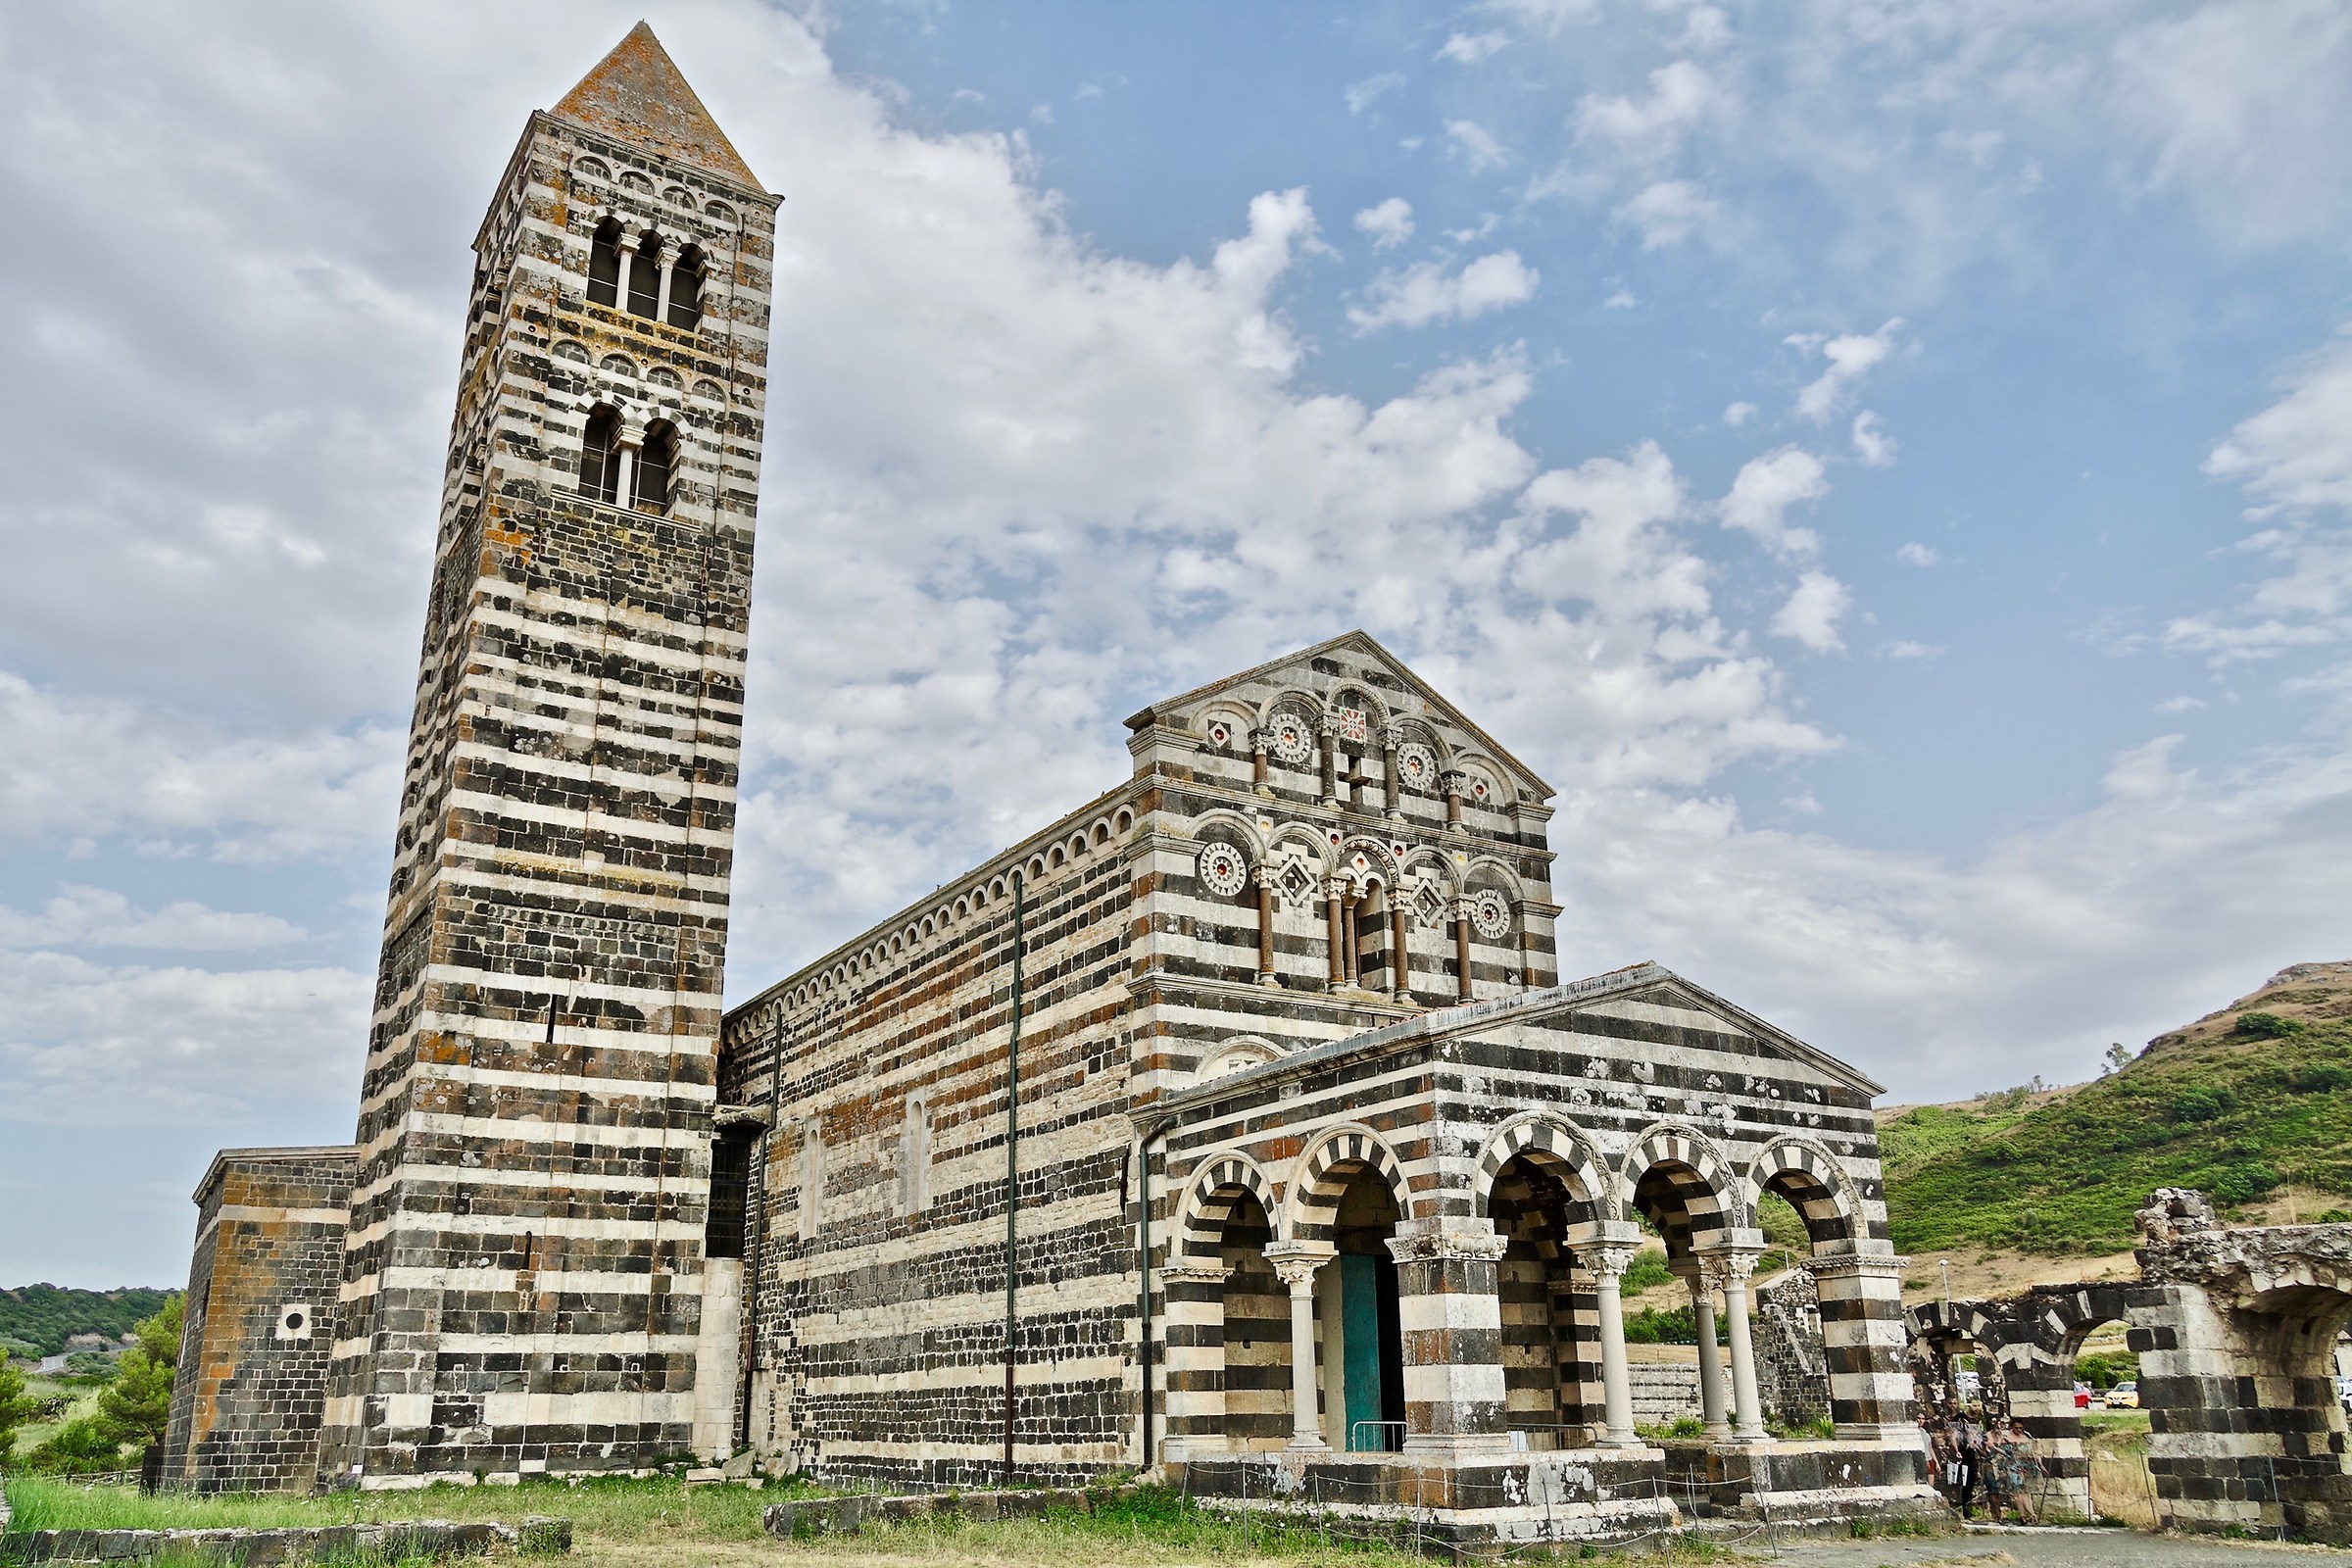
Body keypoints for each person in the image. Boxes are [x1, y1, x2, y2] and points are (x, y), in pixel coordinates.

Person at [1984, 1417, 2039, 1524]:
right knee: (2017, 1492)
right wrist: (1995, 1448)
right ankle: (2022, 1516)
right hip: (2012, 1467)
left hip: (2025, 1467)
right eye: (2016, 1428)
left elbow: (2034, 1452)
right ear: (2012, 1427)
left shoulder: (2026, 1436)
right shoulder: (2006, 1437)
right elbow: (2004, 1453)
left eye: (2020, 1428)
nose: (2019, 1430)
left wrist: (2040, 1466)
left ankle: (2032, 1515)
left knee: (2025, 1493)